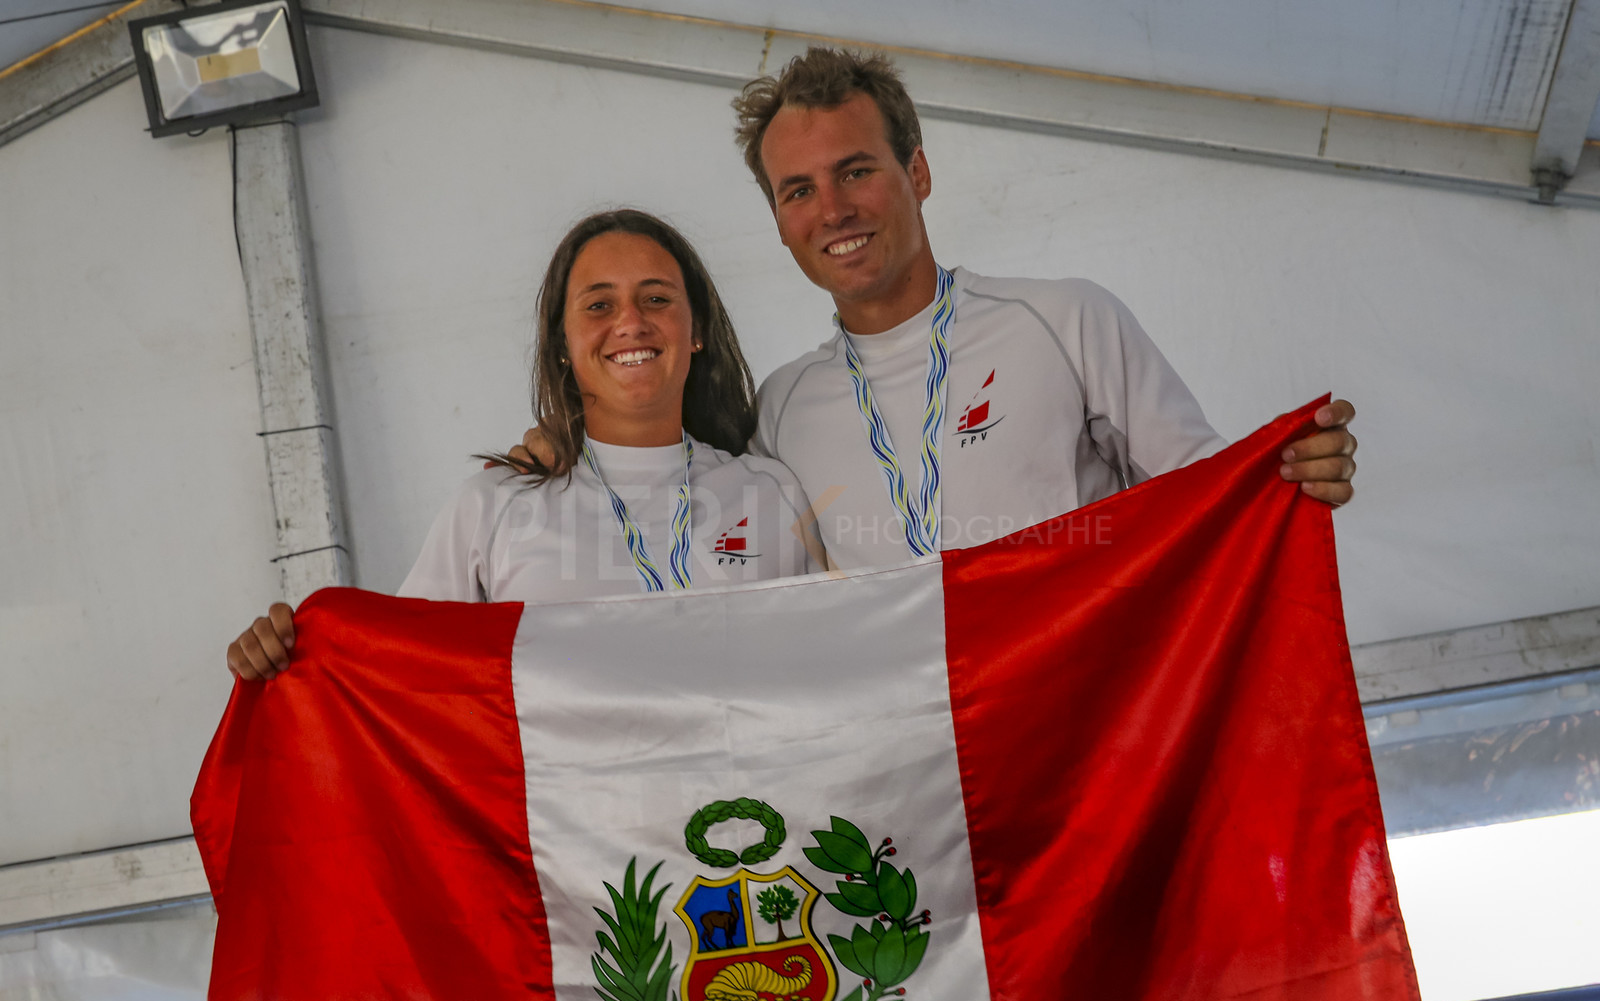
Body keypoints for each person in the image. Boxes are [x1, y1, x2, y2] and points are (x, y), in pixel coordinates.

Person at [507, 49, 1358, 570]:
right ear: (778, 222)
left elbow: (1210, 494)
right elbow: (701, 513)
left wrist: (1289, 473)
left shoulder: (1063, 321)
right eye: (798, 190)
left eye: (856, 170)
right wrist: (572, 448)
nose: (832, 209)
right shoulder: (785, 406)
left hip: (1092, 747)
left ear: (917, 172)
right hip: (923, 795)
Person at [228, 210, 820, 680]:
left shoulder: (772, 493)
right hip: (570, 831)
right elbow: (397, 677)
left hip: (751, 827)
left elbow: (838, 662)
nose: (631, 322)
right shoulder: (492, 508)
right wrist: (293, 655)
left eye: (658, 298)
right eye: (598, 305)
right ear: (563, 343)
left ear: (698, 332)